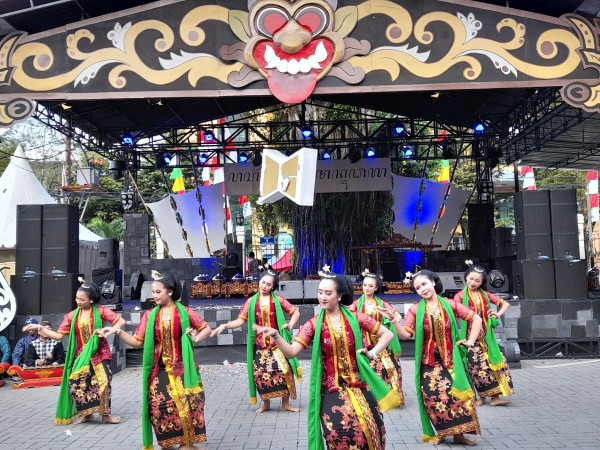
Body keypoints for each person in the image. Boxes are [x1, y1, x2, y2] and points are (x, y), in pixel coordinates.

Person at [255, 267, 402, 449]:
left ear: (340, 296)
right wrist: (276, 336)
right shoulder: (314, 323)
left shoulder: (356, 318)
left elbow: (387, 334)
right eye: (320, 292)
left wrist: (372, 353)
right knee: (337, 433)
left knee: (374, 430)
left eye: (328, 293)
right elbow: (292, 352)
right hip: (331, 388)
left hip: (359, 384)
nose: (323, 297)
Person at [105, 270, 211, 450]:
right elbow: (137, 342)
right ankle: (167, 443)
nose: (153, 296)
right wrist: (117, 331)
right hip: (159, 369)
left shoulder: (184, 312)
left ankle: (187, 443)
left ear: (169, 291)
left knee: (191, 401)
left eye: (157, 292)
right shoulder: (149, 316)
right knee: (158, 405)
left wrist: (195, 338)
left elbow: (205, 328)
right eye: (152, 292)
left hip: (184, 366)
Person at [382, 269, 483, 446]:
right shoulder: (415, 310)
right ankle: (443, 432)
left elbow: (476, 319)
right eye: (418, 288)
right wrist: (394, 321)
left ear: (434, 282)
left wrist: (470, 341)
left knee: (459, 396)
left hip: (451, 360)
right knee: (434, 397)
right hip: (428, 362)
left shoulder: (450, 304)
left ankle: (460, 435)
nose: (422, 289)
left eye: (424, 284)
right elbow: (406, 334)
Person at [25, 280, 125, 425]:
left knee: (104, 381)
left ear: (91, 299)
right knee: (77, 382)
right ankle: (87, 414)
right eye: (77, 298)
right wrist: (40, 328)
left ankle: (105, 415)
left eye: (82, 299)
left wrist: (109, 330)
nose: (78, 301)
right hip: (81, 355)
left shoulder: (101, 311)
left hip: (100, 353)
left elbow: (120, 321)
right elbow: (59, 335)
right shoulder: (72, 316)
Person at [211, 269, 301, 413]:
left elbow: (295, 311)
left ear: (273, 287)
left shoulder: (277, 300)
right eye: (263, 282)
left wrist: (290, 325)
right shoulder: (251, 302)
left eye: (268, 284)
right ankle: (266, 404)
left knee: (285, 371)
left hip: (277, 345)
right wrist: (225, 325)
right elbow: (240, 320)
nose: (264, 286)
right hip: (260, 346)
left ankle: (286, 403)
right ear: (259, 282)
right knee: (259, 373)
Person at [453, 265, 514, 406]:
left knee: (496, 365)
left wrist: (497, 314)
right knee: (476, 369)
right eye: (471, 279)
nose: (473, 283)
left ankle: (495, 398)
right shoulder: (460, 296)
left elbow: (505, 304)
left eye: (477, 281)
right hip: (470, 339)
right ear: (466, 278)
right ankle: (481, 397)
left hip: (487, 338)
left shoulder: (485, 295)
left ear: (482, 282)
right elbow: (452, 312)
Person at [349, 270, 404, 404]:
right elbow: (348, 318)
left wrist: (393, 320)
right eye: (365, 285)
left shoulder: (382, 304)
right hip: (364, 343)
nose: (366, 288)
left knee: (391, 368)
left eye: (370, 286)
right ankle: (371, 397)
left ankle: (392, 397)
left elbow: (398, 315)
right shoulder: (356, 304)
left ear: (376, 288)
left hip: (382, 342)